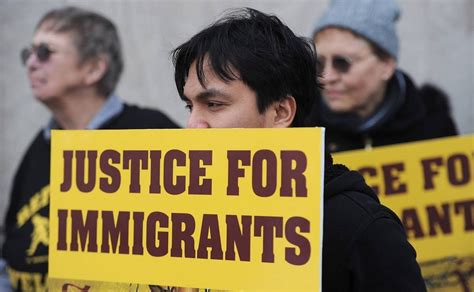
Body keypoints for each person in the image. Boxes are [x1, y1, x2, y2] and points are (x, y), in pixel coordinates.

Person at [171, 8, 426, 291]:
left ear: (281, 112)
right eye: (189, 106)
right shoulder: (189, 220)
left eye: (215, 104)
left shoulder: (361, 229)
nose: (193, 125)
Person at [1, 6, 178, 291]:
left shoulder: (149, 131)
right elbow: (8, 257)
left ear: (94, 68)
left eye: (45, 52)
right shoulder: (39, 146)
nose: (31, 63)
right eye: (28, 54)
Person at [309, 0, 458, 152]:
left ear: (386, 65)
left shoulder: (433, 125)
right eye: (319, 64)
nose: (327, 78)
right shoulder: (300, 126)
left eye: (342, 63)